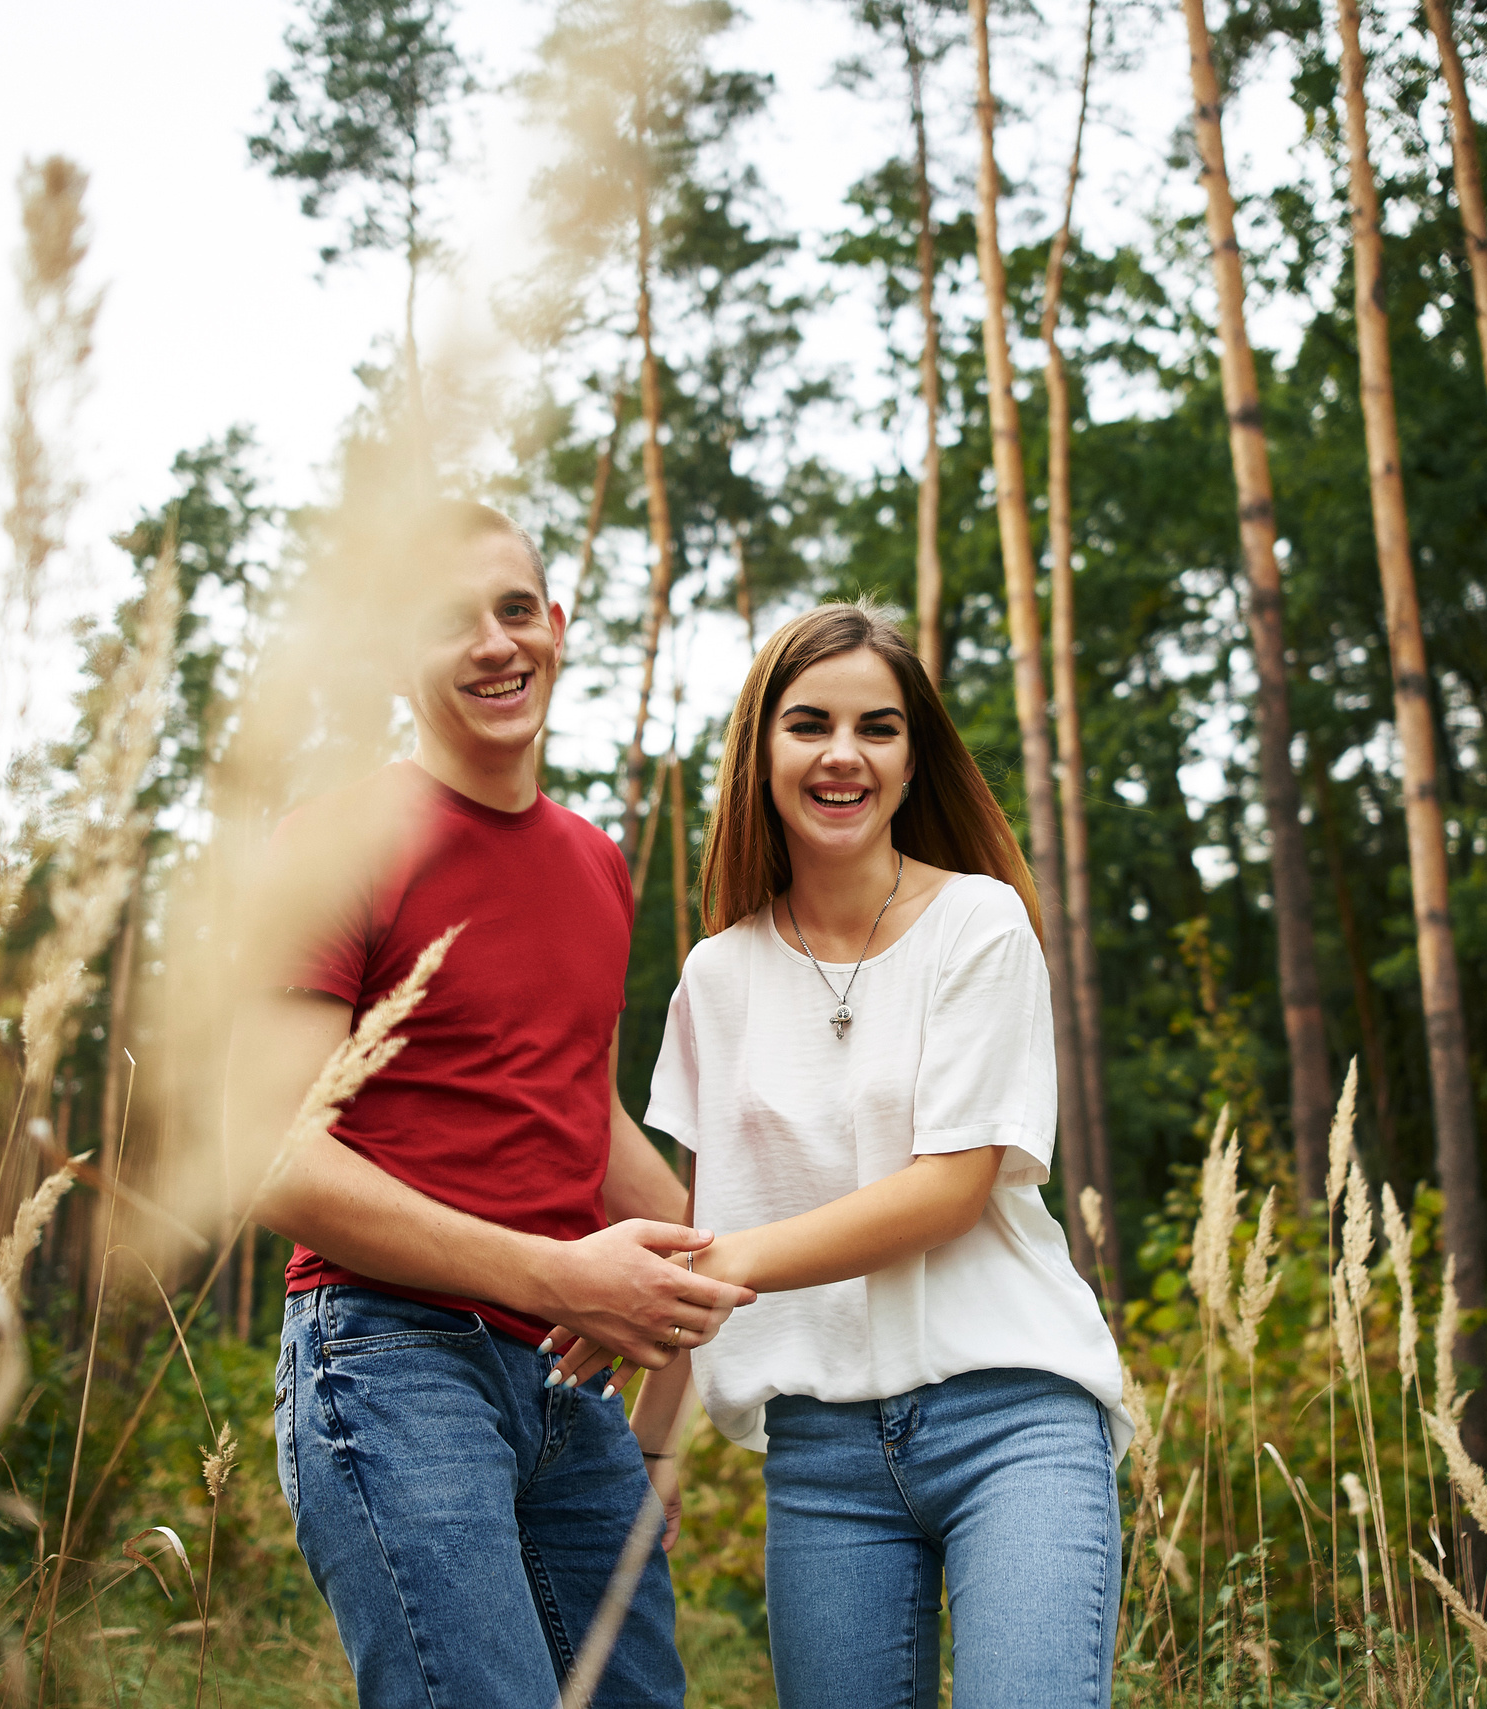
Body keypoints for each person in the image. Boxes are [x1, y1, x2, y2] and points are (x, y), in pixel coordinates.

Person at [547, 601, 1131, 1709]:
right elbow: (709, 1215)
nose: (842, 754)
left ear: (914, 760)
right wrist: (653, 1449)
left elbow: (948, 1191)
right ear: (761, 750)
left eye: (878, 727)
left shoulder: (980, 923)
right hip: (820, 1454)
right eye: (809, 723)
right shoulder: (717, 976)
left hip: (1012, 1413)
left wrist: (709, 1269)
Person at [227, 500, 755, 1709]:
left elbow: (581, 1113)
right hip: (388, 1357)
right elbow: (269, 1156)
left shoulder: (595, 860)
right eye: (446, 620)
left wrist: (712, 1270)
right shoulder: (333, 842)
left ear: (557, 627)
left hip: (570, 1389)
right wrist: (562, 1275)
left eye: (515, 610)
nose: (493, 643)